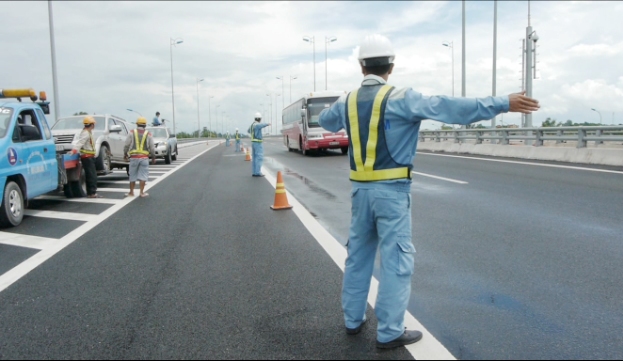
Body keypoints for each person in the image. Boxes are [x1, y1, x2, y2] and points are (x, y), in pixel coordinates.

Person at [318, 34, 540, 349]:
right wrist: (503, 102)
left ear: (361, 65)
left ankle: (353, 320)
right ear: (391, 67)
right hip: (391, 194)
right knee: (395, 260)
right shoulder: (401, 98)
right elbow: (451, 108)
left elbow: (326, 121)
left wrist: (344, 101)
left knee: (358, 256)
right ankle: (389, 331)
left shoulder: (347, 101)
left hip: (359, 194)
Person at [124, 116, 156, 198]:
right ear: (145, 125)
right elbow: (152, 147)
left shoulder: (131, 132)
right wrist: (153, 157)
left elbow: (126, 145)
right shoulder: (148, 134)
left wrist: (125, 154)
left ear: (137, 124)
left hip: (134, 157)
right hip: (144, 158)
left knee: (132, 175)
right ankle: (141, 193)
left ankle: (131, 192)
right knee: (143, 175)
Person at [71, 116, 101, 198]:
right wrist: (74, 150)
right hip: (87, 157)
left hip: (89, 156)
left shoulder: (88, 132)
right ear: (91, 125)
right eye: (93, 124)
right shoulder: (85, 133)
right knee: (92, 175)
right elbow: (80, 143)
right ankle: (92, 193)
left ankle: (91, 192)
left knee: (91, 175)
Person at [247, 112, 271, 177]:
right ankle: (257, 172)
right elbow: (261, 125)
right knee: (259, 157)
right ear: (259, 119)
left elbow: (248, 131)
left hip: (253, 143)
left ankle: (254, 172)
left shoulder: (252, 125)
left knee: (254, 158)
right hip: (257, 142)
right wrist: (267, 124)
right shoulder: (257, 125)